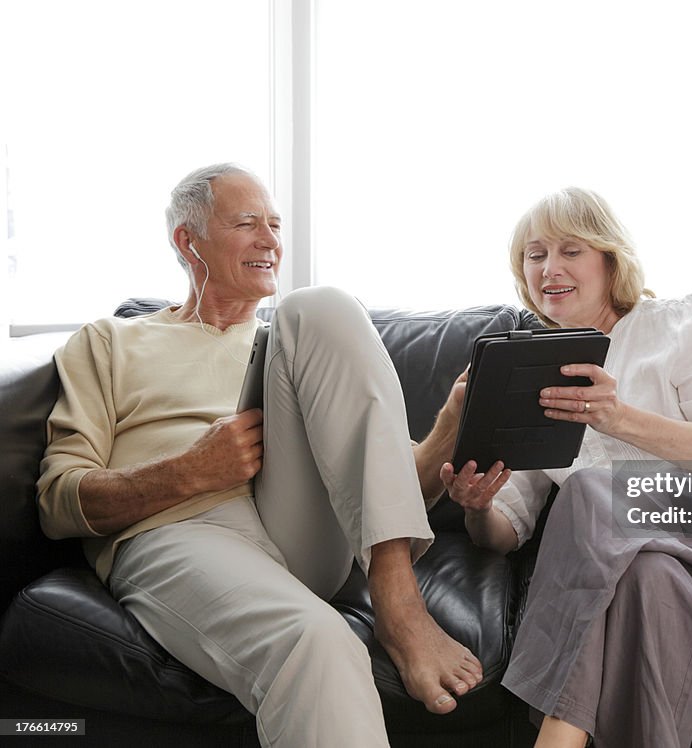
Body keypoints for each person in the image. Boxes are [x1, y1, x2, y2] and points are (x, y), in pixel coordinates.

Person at [36, 163, 482, 747]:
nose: (270, 240)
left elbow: (389, 490)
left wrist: (449, 430)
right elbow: (58, 501)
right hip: (182, 530)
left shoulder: (296, 347)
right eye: (247, 223)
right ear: (187, 240)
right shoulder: (110, 341)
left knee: (321, 304)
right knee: (316, 641)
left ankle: (398, 601)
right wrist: (191, 470)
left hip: (297, 529)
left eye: (274, 225)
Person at [440, 188, 692, 748]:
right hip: (671, 563)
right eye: (535, 255)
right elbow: (505, 534)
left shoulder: (682, 322)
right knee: (649, 581)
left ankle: (554, 736)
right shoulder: (532, 374)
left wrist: (616, 417)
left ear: (610, 259)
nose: (549, 268)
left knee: (589, 492)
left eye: (570, 250)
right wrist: (477, 504)